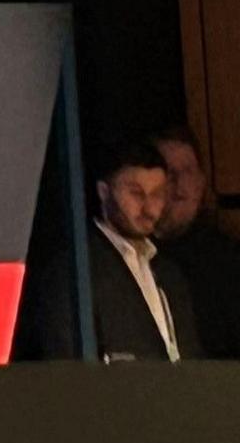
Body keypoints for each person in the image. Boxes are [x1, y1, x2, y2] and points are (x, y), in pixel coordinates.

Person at [31, 136, 204, 363]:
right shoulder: (75, 270)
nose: (149, 207)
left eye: (158, 194)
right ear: (104, 192)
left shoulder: (169, 274)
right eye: (136, 193)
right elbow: (66, 362)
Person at [149, 126, 238, 361]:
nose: (179, 181)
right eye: (168, 171)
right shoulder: (130, 259)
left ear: (201, 181)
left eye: (187, 170)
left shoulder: (228, 260)